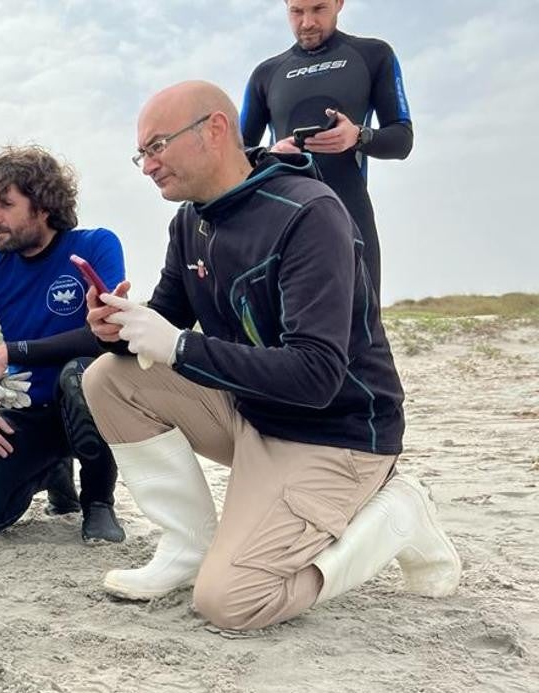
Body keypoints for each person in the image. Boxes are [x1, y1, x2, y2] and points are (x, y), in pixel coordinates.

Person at [80, 80, 459, 631]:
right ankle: (189, 545)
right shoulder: (191, 220)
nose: (147, 166)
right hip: (255, 414)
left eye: (157, 146)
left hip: (337, 434)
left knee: (230, 602)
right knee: (108, 377)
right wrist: (116, 326)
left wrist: (180, 346)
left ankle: (399, 514)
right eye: (142, 152)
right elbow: (165, 319)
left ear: (213, 129)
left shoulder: (309, 214)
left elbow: (318, 375)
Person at [0, 145, 126, 543]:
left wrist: (11, 352)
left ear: (42, 205)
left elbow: (104, 334)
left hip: (88, 399)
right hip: (27, 411)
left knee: (80, 376)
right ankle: (51, 470)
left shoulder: (95, 246)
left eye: (5, 204)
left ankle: (98, 502)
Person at [241, 0, 413, 299]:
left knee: (362, 337)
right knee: (285, 335)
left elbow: (402, 139)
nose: (307, 22)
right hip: (281, 224)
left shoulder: (373, 55)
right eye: (296, 11)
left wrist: (357, 136)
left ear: (339, 3)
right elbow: (237, 154)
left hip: (350, 218)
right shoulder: (266, 74)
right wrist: (272, 154)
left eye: (318, 9)